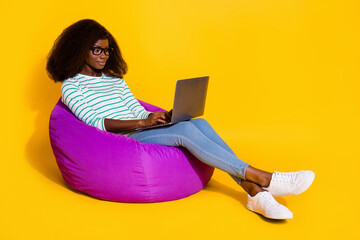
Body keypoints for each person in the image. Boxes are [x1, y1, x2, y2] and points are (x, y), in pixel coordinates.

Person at [46, 19, 315, 220]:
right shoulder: (72, 87)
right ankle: (263, 178)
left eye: (107, 50)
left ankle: (254, 192)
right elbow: (96, 123)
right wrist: (142, 124)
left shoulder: (114, 80)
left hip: (142, 128)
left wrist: (153, 116)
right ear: (80, 50)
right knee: (185, 131)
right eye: (97, 50)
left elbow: (133, 107)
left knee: (198, 123)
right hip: (123, 139)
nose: (104, 56)